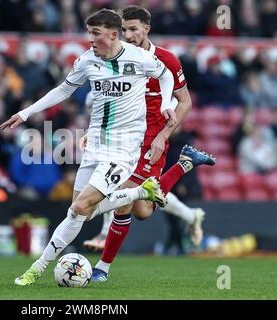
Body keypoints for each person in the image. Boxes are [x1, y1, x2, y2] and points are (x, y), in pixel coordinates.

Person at [0, 8, 176, 286]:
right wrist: (25, 113)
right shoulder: (87, 61)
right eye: (89, 33)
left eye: (96, 33)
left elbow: (166, 75)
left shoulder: (140, 58)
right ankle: (141, 191)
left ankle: (37, 268)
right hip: (95, 144)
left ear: (113, 34)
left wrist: (166, 103)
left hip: (124, 149)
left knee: (81, 206)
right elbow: (62, 90)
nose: (90, 38)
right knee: (79, 211)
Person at [81, 6, 215, 282]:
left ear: (146, 29)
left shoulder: (165, 60)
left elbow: (185, 101)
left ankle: (102, 268)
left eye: (133, 29)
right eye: (124, 30)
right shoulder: (115, 58)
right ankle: (184, 165)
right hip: (121, 137)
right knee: (139, 207)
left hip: (152, 139)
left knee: (130, 205)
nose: (128, 35)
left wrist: (164, 136)